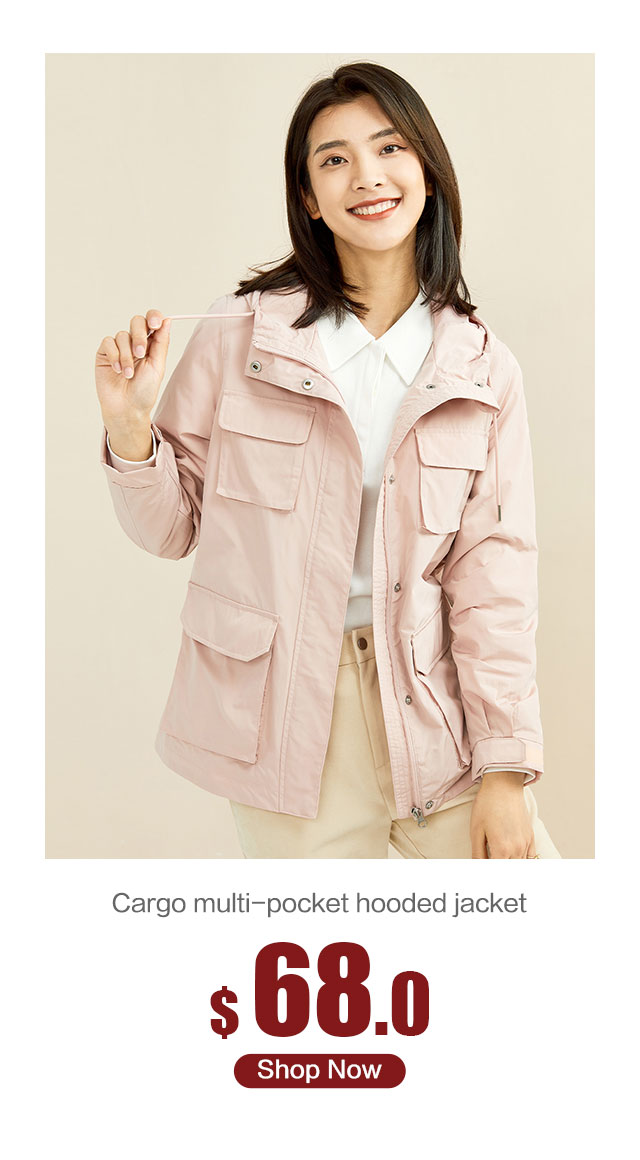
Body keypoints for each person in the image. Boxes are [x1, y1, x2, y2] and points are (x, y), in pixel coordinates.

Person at [95, 61, 561, 859]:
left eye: (389, 148)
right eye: (335, 159)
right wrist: (131, 425)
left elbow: (496, 579)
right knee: (320, 940)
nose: (367, 176)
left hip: (435, 715)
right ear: (309, 197)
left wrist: (506, 769)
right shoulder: (241, 337)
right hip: (281, 723)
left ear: (426, 170)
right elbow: (171, 530)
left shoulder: (483, 369)